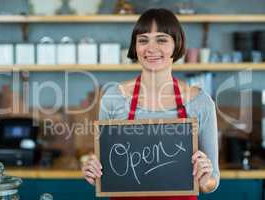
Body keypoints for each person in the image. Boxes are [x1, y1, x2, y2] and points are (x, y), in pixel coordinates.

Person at [82, 8, 220, 200]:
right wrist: (93, 171)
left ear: (176, 44)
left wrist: (206, 181)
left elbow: (213, 181)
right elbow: (105, 168)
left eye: (162, 39)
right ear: (135, 47)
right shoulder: (113, 98)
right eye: (143, 40)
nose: (151, 48)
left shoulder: (200, 102)